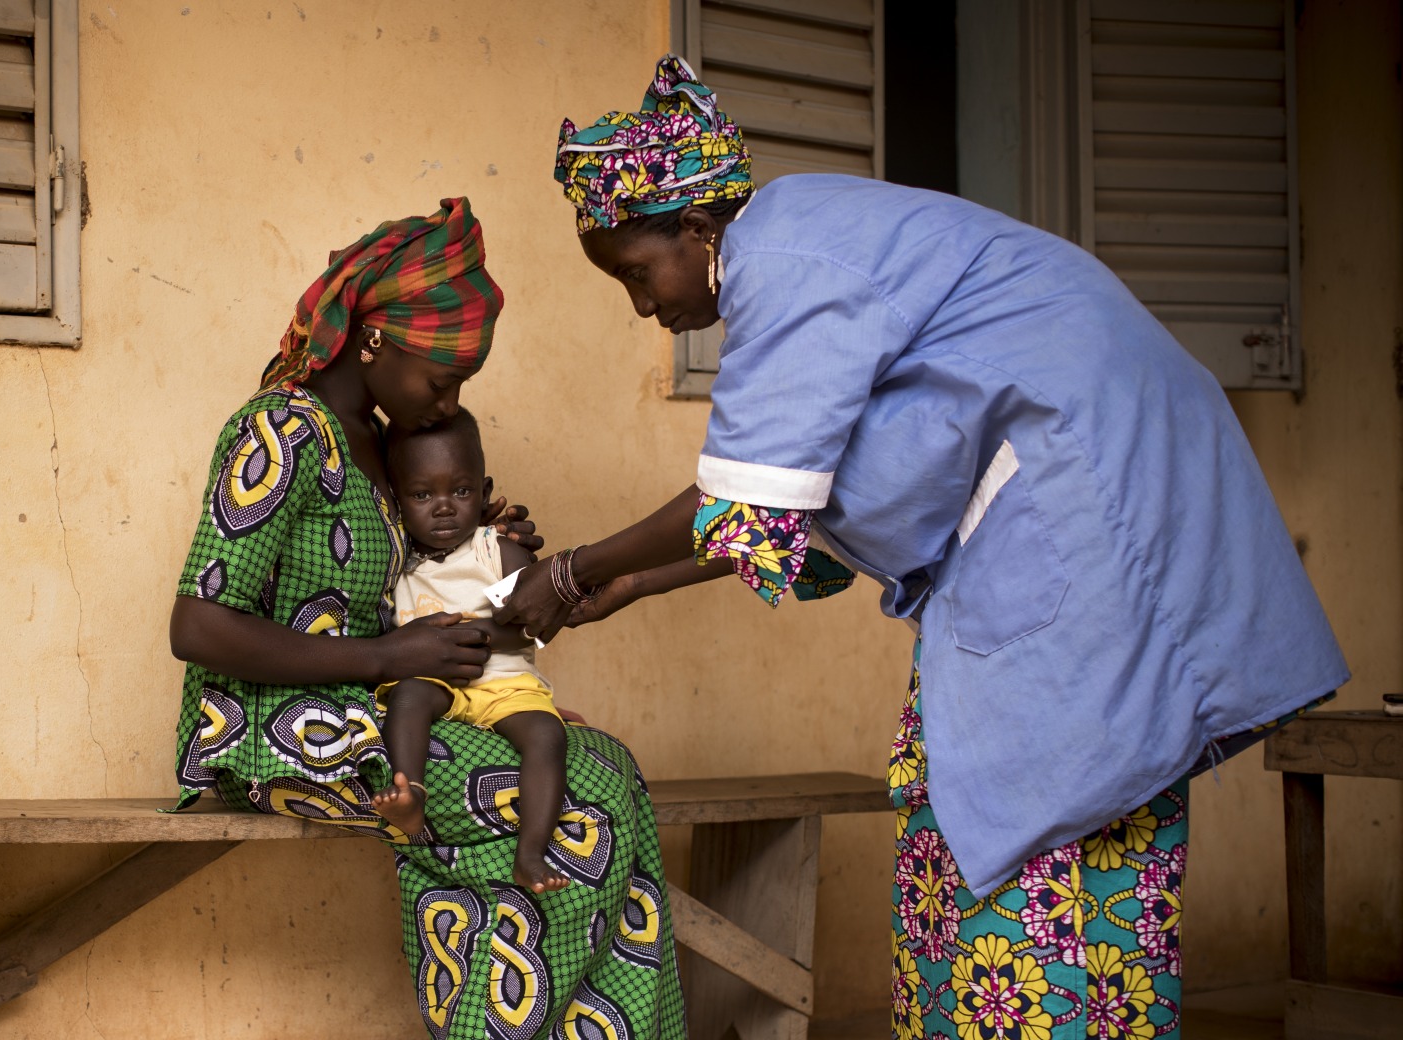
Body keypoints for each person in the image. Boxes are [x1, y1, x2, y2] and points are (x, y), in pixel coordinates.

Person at [497, 57, 1348, 1040]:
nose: (645, 308)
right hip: (1061, 516)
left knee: (1055, 812)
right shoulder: (810, 241)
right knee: (975, 793)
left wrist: (571, 571)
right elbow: (797, 505)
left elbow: (744, 493)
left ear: (696, 231)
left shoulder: (788, 258)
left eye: (638, 276)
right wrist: (631, 583)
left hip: (1087, 517)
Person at [168, 197, 684, 1039]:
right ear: (375, 341)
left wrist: (487, 559)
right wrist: (383, 656)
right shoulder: (282, 431)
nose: (448, 404)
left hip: (384, 706)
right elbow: (195, 627)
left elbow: (410, 603)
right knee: (566, 806)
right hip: (269, 724)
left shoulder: (379, 445)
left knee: (610, 770)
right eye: (443, 379)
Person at [368, 409, 570, 894]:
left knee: (546, 734)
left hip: (503, 683)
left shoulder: (497, 551)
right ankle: (409, 793)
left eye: (459, 492)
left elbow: (529, 627)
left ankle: (531, 854)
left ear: (483, 494)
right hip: (435, 683)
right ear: (396, 500)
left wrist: (467, 637)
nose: (442, 508)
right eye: (421, 494)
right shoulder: (396, 559)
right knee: (408, 697)